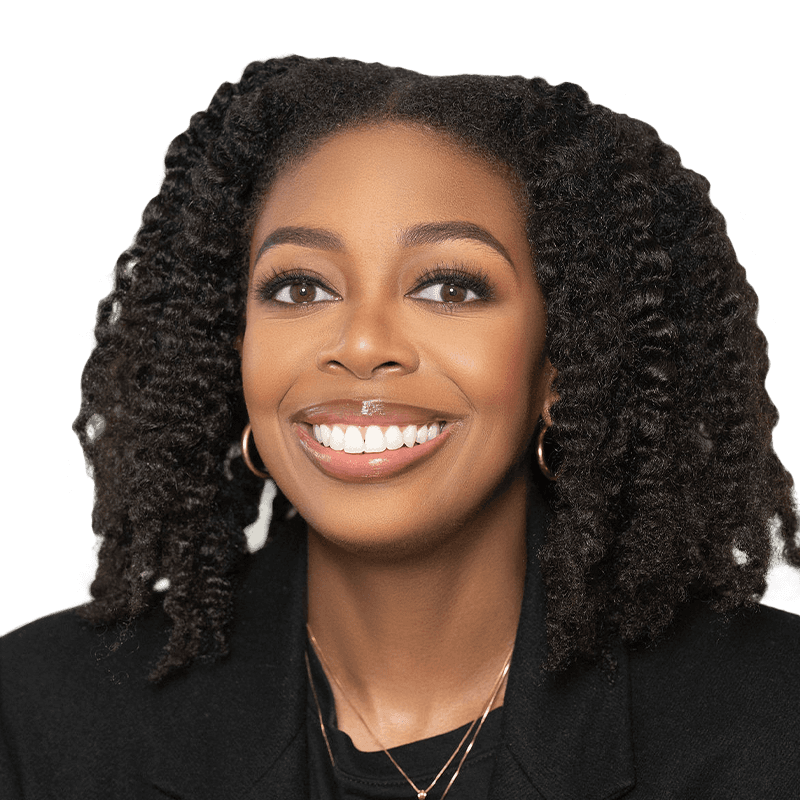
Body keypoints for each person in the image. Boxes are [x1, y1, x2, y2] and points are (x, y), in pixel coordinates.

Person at [1, 54, 798, 799]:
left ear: (567, 361)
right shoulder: (40, 718)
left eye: (450, 288)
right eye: (299, 288)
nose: (361, 345)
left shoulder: (772, 723)